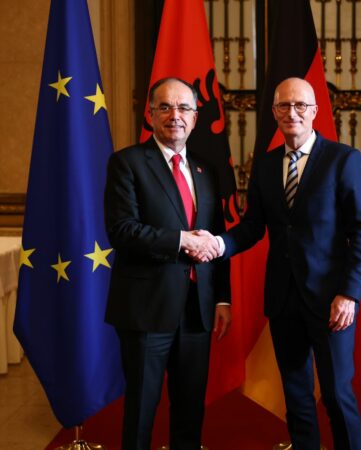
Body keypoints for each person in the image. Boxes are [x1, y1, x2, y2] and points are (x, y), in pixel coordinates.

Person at [200, 77, 361, 450]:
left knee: (337, 394)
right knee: (296, 396)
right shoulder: (265, 165)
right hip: (283, 299)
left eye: (300, 105)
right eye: (283, 105)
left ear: (314, 111)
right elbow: (252, 227)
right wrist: (217, 243)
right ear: (274, 112)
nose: (292, 112)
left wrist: (349, 294)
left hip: (332, 302)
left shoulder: (343, 160)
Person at [104, 77, 230, 450]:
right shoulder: (127, 163)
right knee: (142, 411)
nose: (175, 115)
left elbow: (216, 239)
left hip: (196, 311)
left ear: (195, 117)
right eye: (165, 107)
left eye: (184, 108)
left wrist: (222, 298)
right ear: (151, 114)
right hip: (147, 309)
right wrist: (181, 240)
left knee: (190, 412)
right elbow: (122, 231)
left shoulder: (206, 171)